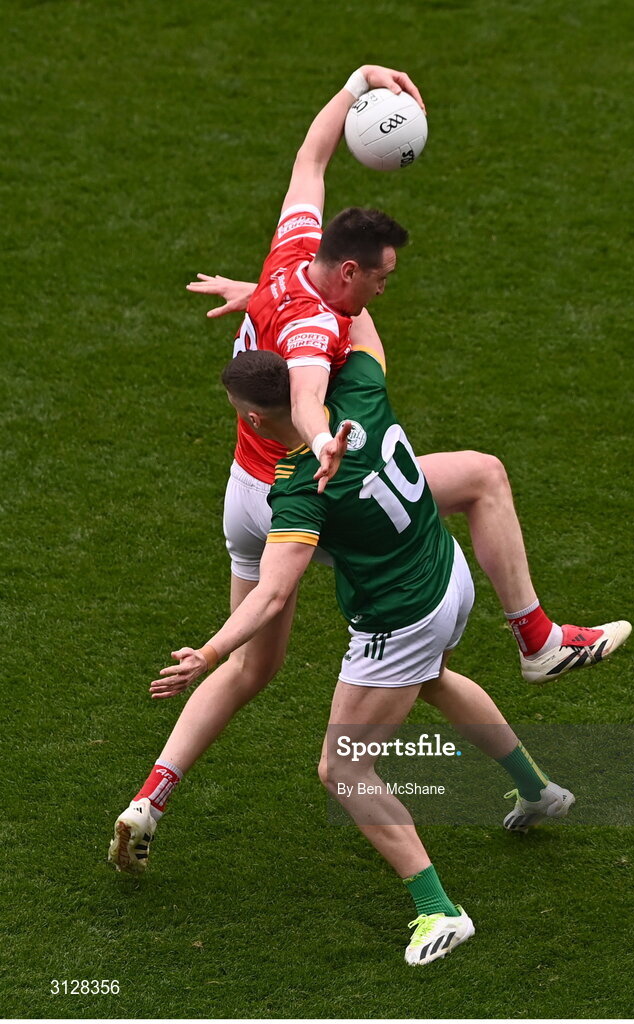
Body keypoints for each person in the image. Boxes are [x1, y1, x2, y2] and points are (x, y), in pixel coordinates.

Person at [112, 64, 628, 871]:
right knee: (445, 522)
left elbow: (312, 158)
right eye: (381, 279)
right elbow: (311, 396)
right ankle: (532, 646)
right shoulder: (324, 333)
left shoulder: (291, 258)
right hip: (299, 490)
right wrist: (321, 446)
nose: (384, 292)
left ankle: (151, 794)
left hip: (242, 492)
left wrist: (355, 85)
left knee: (268, 665)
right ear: (349, 272)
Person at [112, 342, 576, 966]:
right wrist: (282, 296)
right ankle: (537, 791)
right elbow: (356, 318)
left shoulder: (300, 488)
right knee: (434, 677)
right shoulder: (357, 389)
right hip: (447, 573)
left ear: (250, 420)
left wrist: (210, 651)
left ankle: (440, 910)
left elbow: (274, 593)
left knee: (344, 770)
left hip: (398, 622)